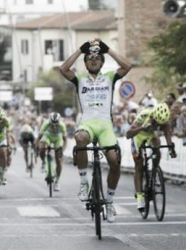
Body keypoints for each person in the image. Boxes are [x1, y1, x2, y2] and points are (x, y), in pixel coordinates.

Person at [59, 38, 132, 223]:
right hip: (88, 123)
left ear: (101, 62)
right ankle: (84, 184)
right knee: (80, 138)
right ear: (85, 62)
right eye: (90, 58)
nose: (93, 61)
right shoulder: (80, 79)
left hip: (106, 125)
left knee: (115, 162)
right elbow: (63, 69)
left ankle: (109, 201)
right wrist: (79, 50)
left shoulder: (109, 77)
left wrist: (108, 50)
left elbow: (127, 66)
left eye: (97, 58)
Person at [126, 103, 177, 210]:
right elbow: (128, 134)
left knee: (157, 142)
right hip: (138, 136)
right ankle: (139, 197)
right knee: (139, 165)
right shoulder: (144, 115)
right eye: (156, 121)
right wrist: (142, 126)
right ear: (153, 116)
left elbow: (168, 139)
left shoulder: (165, 122)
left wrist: (171, 149)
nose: (158, 124)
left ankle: (154, 172)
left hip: (150, 135)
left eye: (160, 123)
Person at [35, 112, 67, 191]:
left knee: (59, 161)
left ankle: (57, 182)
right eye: (52, 124)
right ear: (50, 121)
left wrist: (62, 150)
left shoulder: (62, 126)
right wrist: (37, 147)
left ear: (59, 121)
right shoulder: (46, 124)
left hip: (57, 139)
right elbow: (39, 137)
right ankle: (43, 162)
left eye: (56, 124)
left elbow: (65, 140)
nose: (54, 126)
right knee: (42, 147)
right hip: (48, 136)